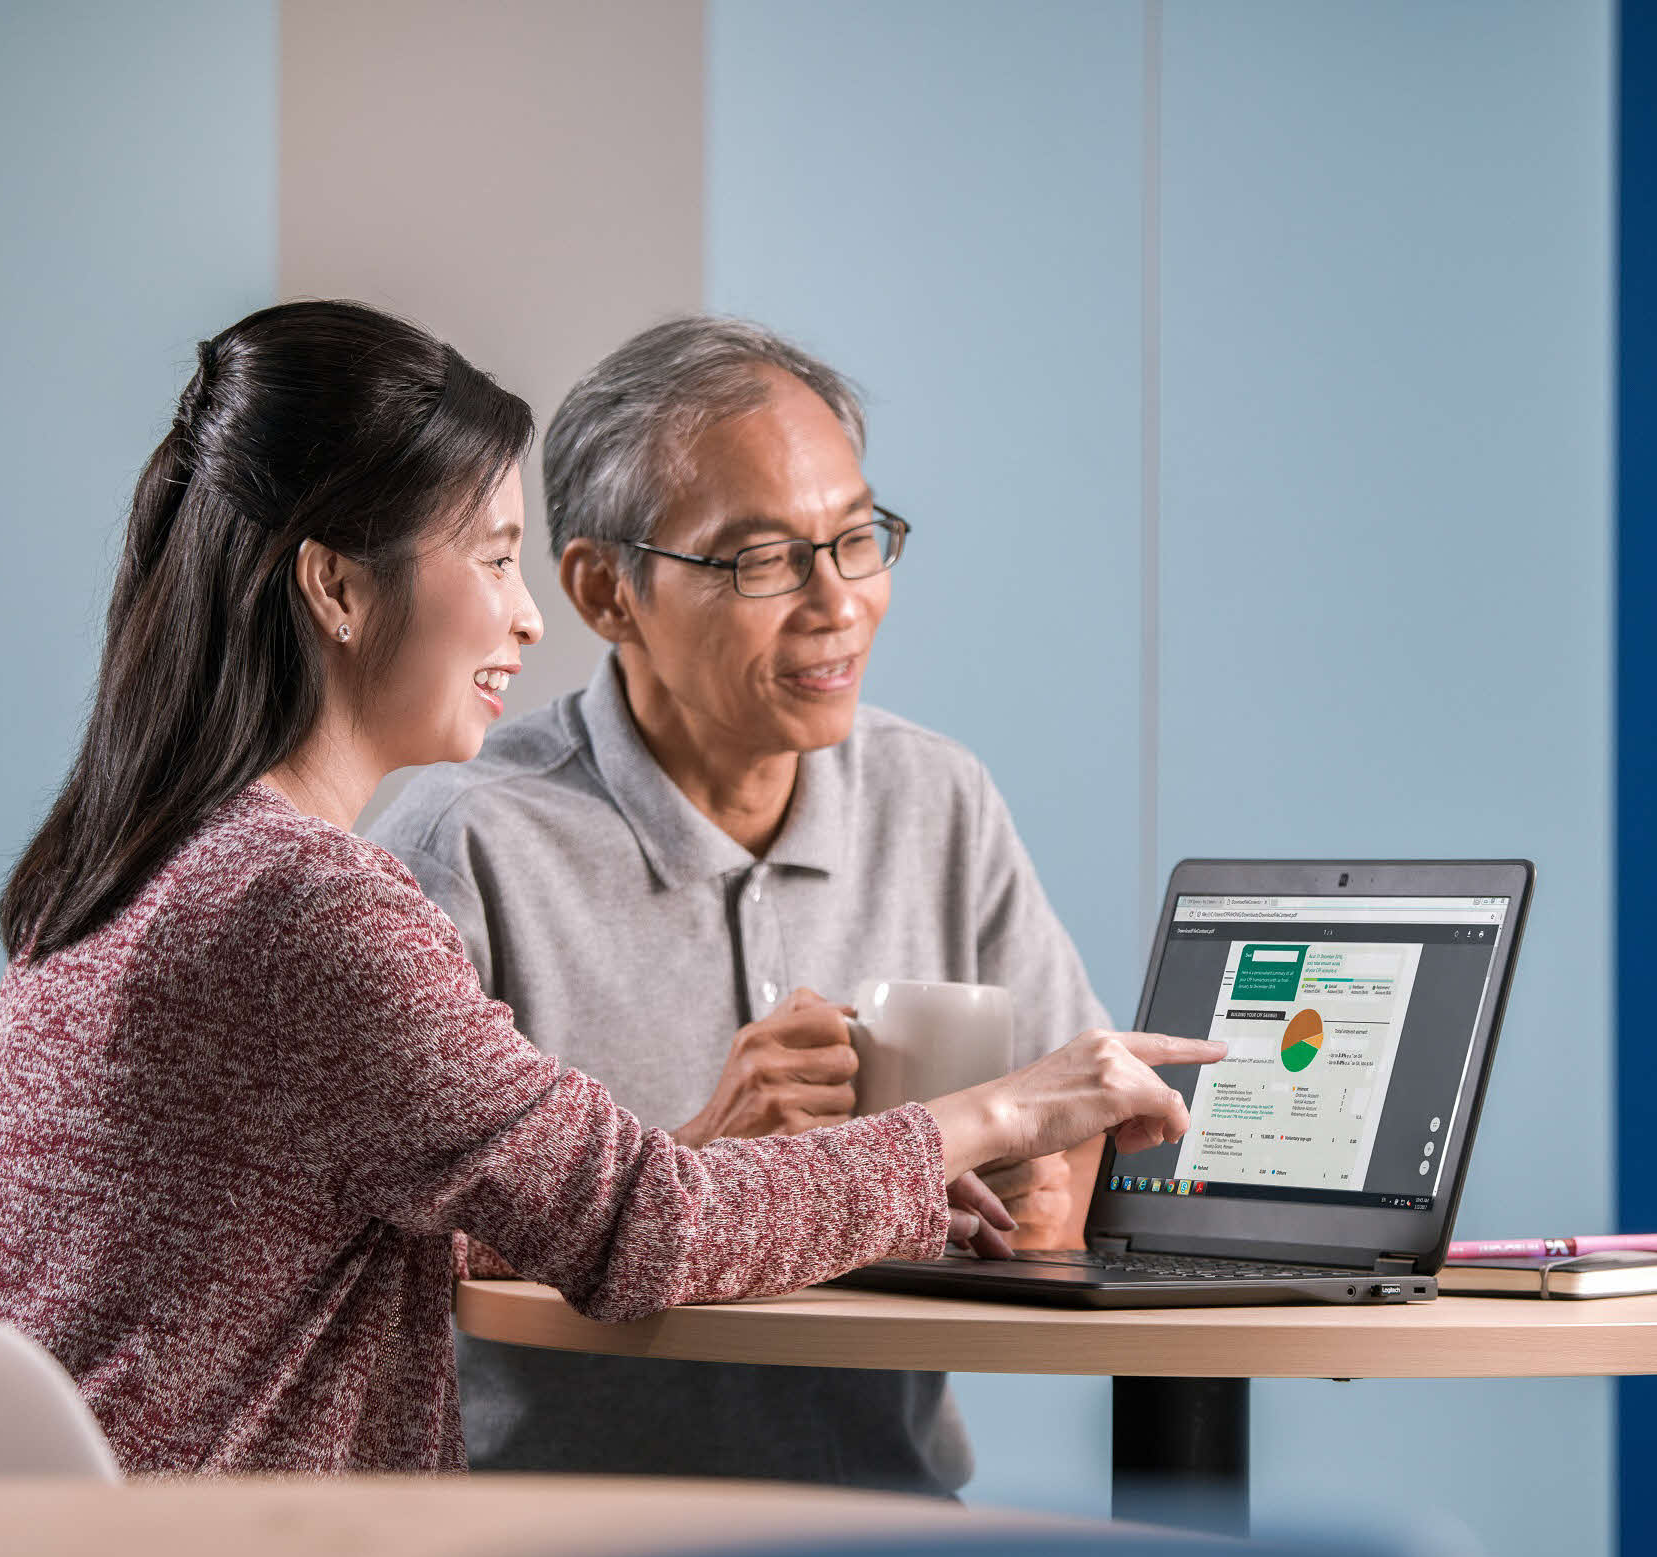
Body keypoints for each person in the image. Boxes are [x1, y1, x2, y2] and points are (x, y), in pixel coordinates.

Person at [0, 300, 1216, 1473]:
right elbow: (642, 1225)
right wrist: (994, 1113)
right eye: (494, 561)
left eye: (855, 538)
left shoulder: (141, 862)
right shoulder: (309, 904)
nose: (526, 616)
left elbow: (408, 1220)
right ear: (334, 584)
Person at [368, 316, 1112, 1495]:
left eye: (857, 539)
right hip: (566, 1541)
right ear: (606, 590)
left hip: (890, 1525)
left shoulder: (936, 794)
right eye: (761, 559)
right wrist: (696, 1157)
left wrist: (1047, 1187)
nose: (837, 603)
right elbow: (389, 1268)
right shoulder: (465, 841)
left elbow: (1083, 1118)